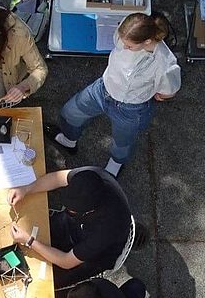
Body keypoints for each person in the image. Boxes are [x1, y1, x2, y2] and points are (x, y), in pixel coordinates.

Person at [46, 13, 181, 176]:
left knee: (122, 142)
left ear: (147, 42)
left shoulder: (164, 63)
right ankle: (69, 141)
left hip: (131, 109)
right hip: (103, 89)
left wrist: (160, 95)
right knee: (69, 113)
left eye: (129, 46)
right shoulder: (126, 31)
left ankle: (115, 164)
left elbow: (169, 91)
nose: (124, 48)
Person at [8, 168, 131, 292]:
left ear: (89, 211)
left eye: (72, 210)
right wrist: (26, 189)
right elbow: (56, 178)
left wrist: (29, 241)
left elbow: (66, 261)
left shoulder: (106, 229)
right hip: (75, 228)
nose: (67, 209)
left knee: (39, 280)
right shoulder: (89, 177)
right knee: (39, 229)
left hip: (91, 259)